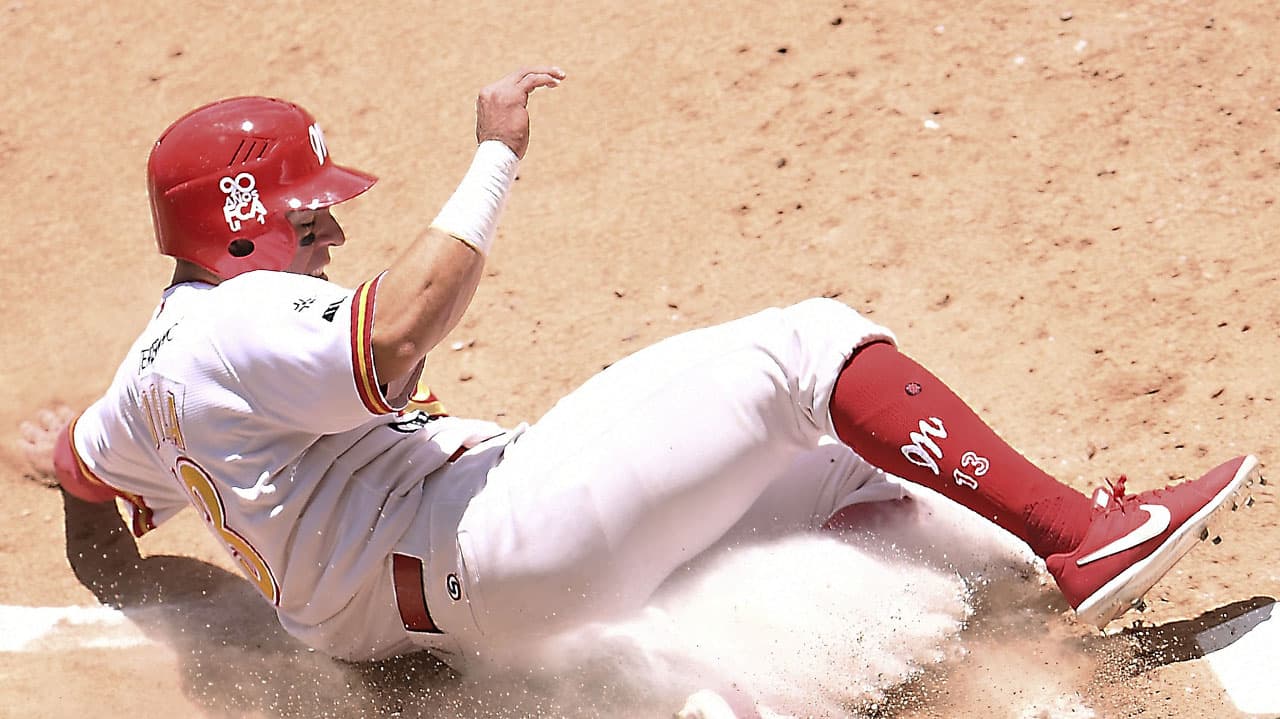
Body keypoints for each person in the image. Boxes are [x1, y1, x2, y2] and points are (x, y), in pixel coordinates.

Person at [19, 65, 1258, 679]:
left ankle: (1003, 609)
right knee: (802, 349)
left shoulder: (148, 376)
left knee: (826, 464)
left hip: (439, 620)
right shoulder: (250, 321)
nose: (328, 229)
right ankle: (1079, 537)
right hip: (496, 541)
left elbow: (84, 488)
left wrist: (174, 613)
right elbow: (398, 331)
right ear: (240, 224)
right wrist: (493, 160)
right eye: (307, 211)